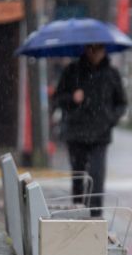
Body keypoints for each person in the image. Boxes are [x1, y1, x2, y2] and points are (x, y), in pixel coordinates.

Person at [53, 44, 127, 217]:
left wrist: (110, 119)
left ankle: (94, 217)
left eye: (99, 49)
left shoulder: (111, 74)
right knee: (78, 177)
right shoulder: (72, 71)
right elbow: (57, 98)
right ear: (86, 49)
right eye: (92, 49)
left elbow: (121, 103)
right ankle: (78, 213)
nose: (95, 53)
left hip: (100, 135)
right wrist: (72, 98)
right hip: (76, 133)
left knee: (97, 176)